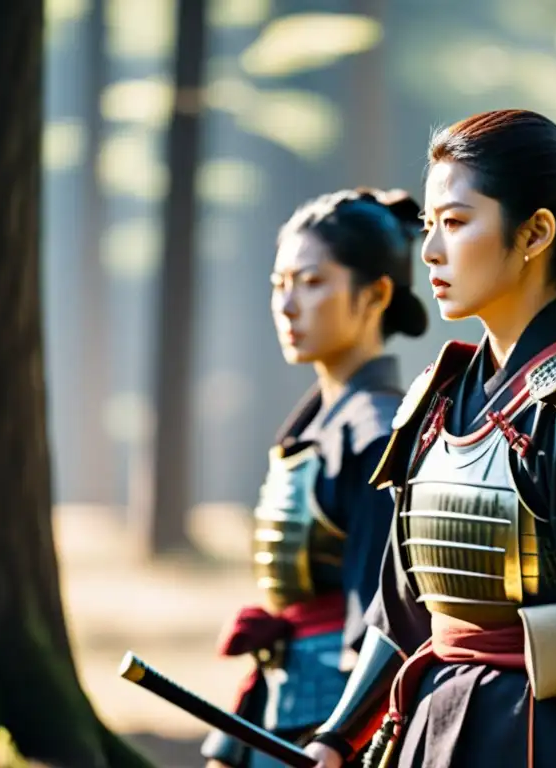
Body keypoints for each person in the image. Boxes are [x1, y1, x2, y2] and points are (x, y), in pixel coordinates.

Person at [302, 109, 556, 768]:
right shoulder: (439, 396)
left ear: (536, 232)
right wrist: (335, 736)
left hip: (555, 737)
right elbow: (401, 610)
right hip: (434, 726)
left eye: (456, 224)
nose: (430, 251)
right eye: (430, 227)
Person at [201, 188, 429, 768]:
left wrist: (344, 738)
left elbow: (384, 619)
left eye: (312, 282)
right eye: (280, 284)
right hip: (290, 704)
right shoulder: (320, 423)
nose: (288, 304)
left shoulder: (377, 435)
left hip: (335, 723)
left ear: (376, 292)